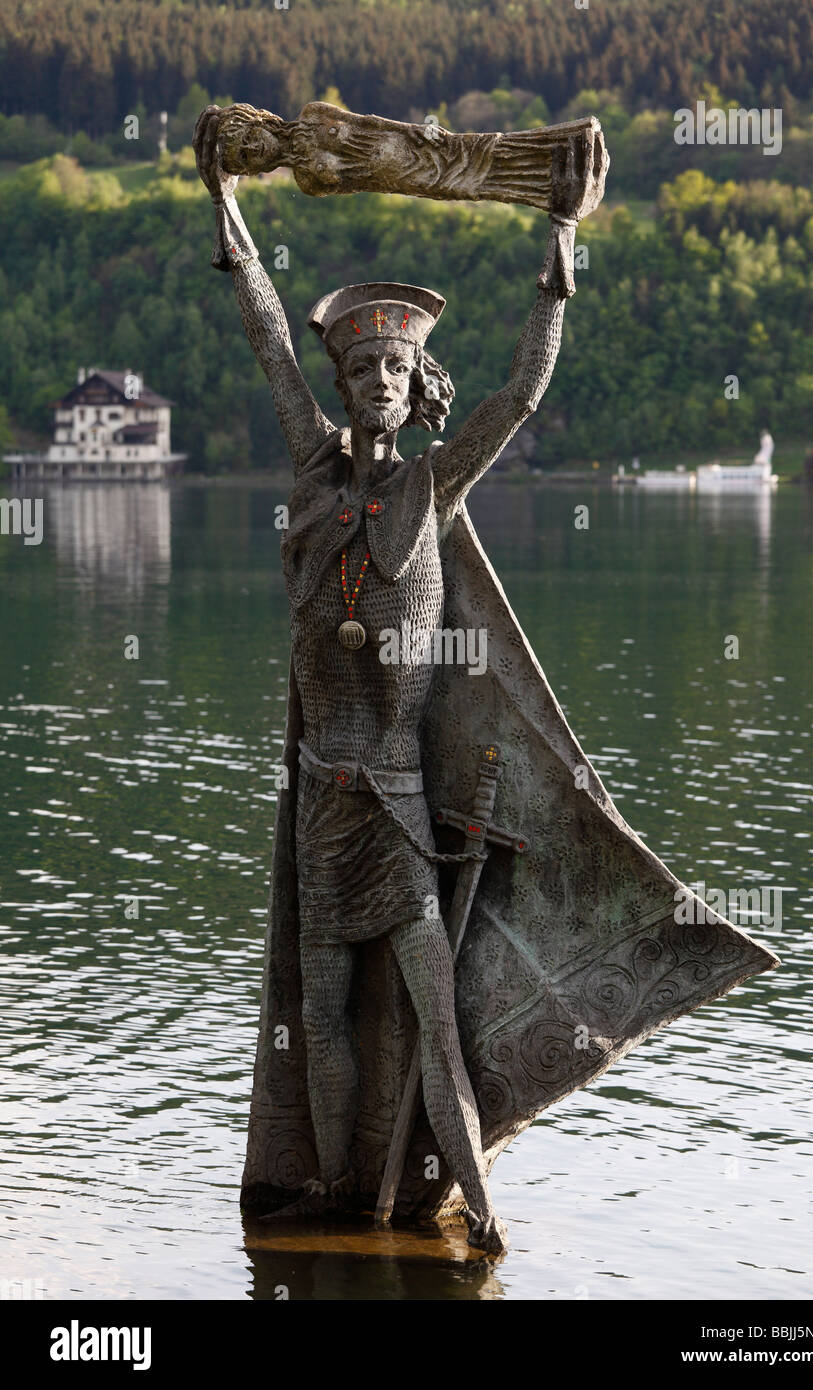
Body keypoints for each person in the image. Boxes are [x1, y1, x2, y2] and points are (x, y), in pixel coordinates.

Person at [194, 106, 601, 1254]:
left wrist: (556, 258)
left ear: (416, 380)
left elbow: (516, 399)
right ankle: (332, 1197)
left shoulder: (431, 487)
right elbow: (271, 339)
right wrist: (230, 216)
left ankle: (474, 1198)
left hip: (400, 810)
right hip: (323, 806)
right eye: (361, 363)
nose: (376, 378)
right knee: (318, 1011)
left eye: (394, 364)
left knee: (432, 1012)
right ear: (343, 376)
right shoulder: (315, 474)